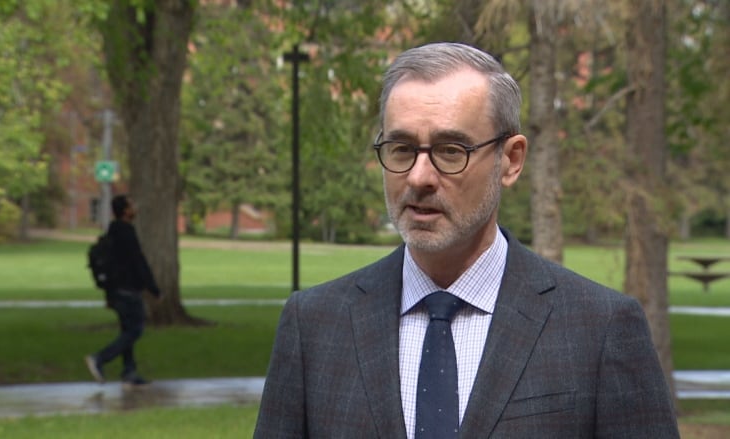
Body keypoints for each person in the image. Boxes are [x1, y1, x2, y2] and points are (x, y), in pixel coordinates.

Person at [254, 42, 679, 438]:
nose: (419, 177)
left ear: (510, 160)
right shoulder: (312, 327)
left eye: (451, 150)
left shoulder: (601, 329)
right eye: (401, 149)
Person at [85, 194, 161, 388]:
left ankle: (129, 371)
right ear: (126, 211)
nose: (135, 207)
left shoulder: (113, 232)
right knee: (135, 330)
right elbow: (138, 261)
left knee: (127, 330)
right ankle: (100, 358)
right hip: (127, 289)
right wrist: (153, 287)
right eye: (132, 205)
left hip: (115, 289)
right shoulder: (126, 232)